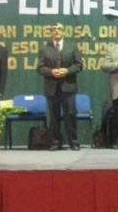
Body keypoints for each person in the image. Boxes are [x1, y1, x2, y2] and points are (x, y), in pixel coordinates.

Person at [36, 23, 84, 151]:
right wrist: (51, 72)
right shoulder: (44, 47)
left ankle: (73, 142)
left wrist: (67, 71)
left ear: (64, 32)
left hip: (68, 86)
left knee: (70, 114)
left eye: (59, 29)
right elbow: (40, 68)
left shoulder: (72, 46)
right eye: (54, 29)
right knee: (53, 116)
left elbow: (79, 65)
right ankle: (55, 142)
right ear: (51, 32)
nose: (56, 31)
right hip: (51, 87)